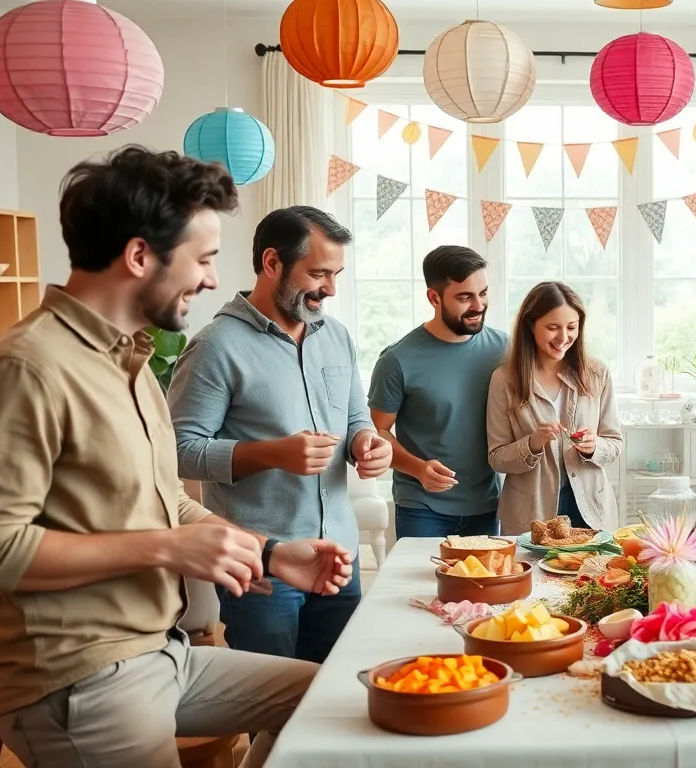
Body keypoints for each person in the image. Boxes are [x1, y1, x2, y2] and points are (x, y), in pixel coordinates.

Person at [0, 146, 352, 768]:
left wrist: (270, 553)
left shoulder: (130, 362)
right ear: (140, 255)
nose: (214, 279)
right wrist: (166, 548)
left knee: (330, 701)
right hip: (77, 679)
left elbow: (166, 500)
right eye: (203, 259)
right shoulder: (24, 368)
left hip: (162, 652)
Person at [167, 205, 391, 663]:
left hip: (339, 557)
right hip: (262, 566)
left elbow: (354, 418)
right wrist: (271, 454)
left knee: (335, 698)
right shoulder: (215, 346)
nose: (330, 288)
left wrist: (365, 443)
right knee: (275, 714)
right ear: (272, 264)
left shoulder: (337, 336)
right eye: (319, 273)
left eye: (336, 274)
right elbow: (178, 452)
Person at [369, 245, 509, 538]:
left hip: (486, 505)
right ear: (434, 297)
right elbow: (376, 432)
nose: (478, 305)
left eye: (483, 293)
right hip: (421, 507)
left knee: (481, 584)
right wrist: (418, 468)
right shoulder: (397, 359)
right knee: (423, 586)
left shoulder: (505, 349)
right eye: (464, 297)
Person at [486, 282, 623, 534]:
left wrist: (594, 447)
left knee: (593, 574)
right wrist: (533, 443)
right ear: (530, 325)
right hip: (530, 515)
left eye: (572, 327)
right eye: (552, 328)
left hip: (591, 509)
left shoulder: (597, 373)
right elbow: (496, 458)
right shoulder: (504, 380)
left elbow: (614, 442)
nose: (563, 337)